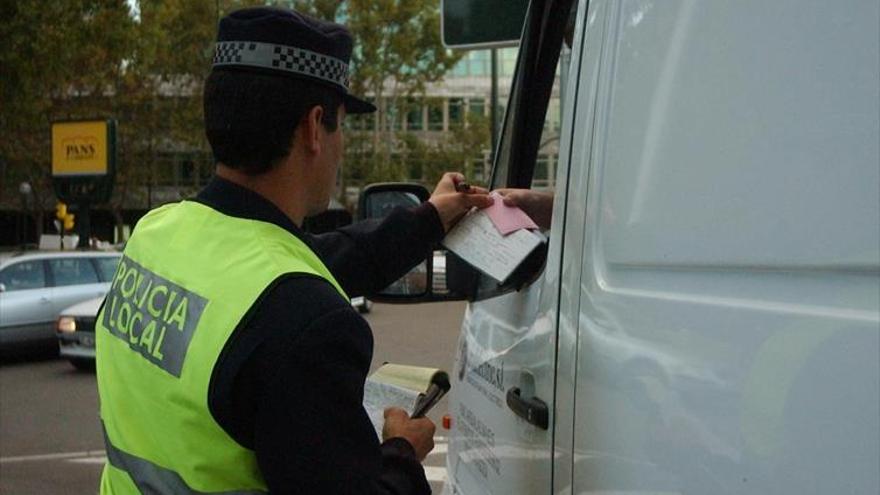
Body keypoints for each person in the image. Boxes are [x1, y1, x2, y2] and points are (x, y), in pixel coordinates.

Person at [94, 7, 491, 495]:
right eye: (341, 126)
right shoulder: (307, 321)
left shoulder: (156, 233)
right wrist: (401, 452)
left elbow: (319, 259)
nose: (341, 145)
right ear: (313, 127)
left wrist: (431, 216)